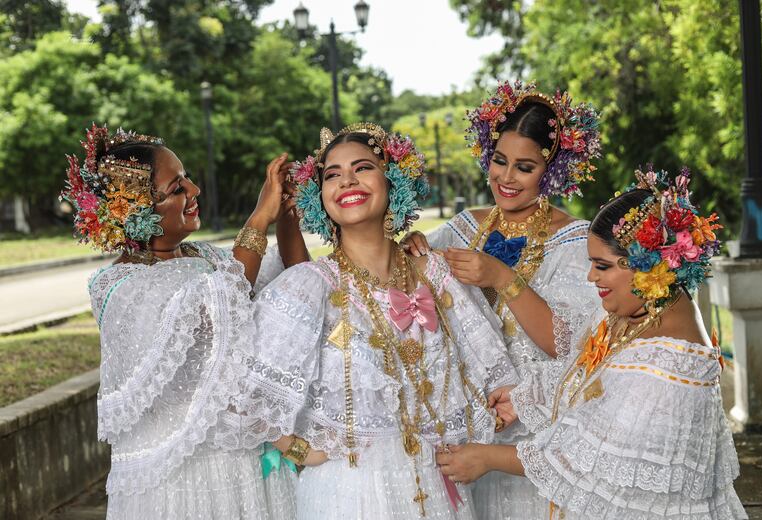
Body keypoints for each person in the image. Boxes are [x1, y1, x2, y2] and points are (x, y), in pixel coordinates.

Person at [231, 123, 519, 519]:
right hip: (350, 494)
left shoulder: (436, 273)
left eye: (363, 167)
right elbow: (242, 386)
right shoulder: (307, 287)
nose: (346, 180)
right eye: (332, 174)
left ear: (393, 181)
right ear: (320, 197)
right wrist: (297, 448)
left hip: (438, 488)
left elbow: (489, 369)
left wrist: (500, 403)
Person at [436, 166, 748, 519]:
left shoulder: (669, 366)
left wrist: (487, 457)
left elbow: (592, 456)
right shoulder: (640, 310)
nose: (591, 276)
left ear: (647, 267)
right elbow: (590, 372)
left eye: (602, 266)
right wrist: (525, 398)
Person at [64, 125, 304, 519]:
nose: (194, 191)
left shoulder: (204, 257)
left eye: (187, 178)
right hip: (184, 482)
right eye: (177, 189)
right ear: (137, 210)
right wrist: (260, 215)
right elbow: (222, 300)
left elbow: (295, 282)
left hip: (246, 467)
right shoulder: (119, 285)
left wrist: (286, 213)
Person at [402, 80, 603, 519]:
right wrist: (412, 248)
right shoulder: (459, 228)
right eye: (499, 160)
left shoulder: (574, 241)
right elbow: (402, 288)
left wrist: (502, 277)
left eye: (525, 167)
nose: (506, 178)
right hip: (468, 431)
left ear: (551, 172)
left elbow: (573, 346)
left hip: (539, 434)